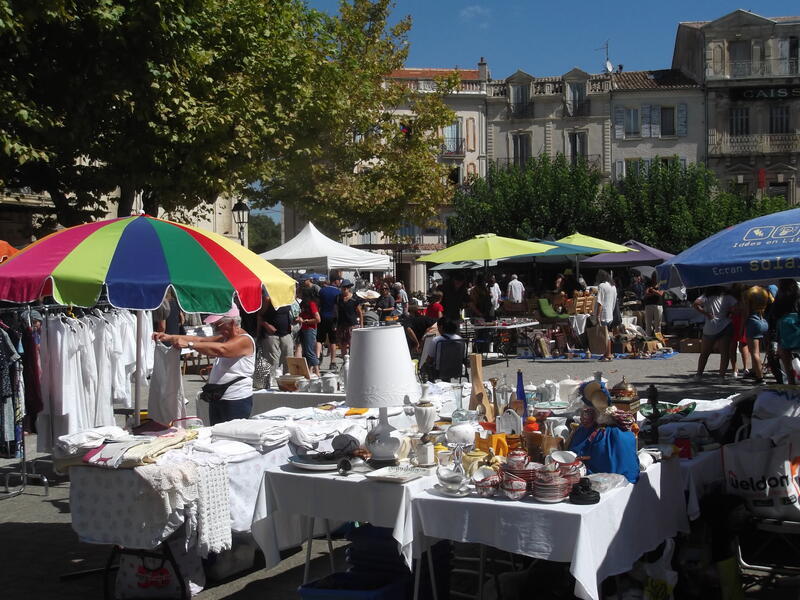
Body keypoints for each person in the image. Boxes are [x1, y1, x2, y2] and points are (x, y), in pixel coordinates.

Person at [154, 306, 255, 425]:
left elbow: (223, 350)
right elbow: (200, 340)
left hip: (235, 399)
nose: (215, 329)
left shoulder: (244, 340)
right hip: (219, 396)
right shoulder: (225, 337)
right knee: (217, 435)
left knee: (232, 438)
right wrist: (170, 337)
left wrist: (190, 345)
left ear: (232, 322)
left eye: (217, 325)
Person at [692, 286, 736, 381]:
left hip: (710, 327)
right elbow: (737, 308)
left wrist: (706, 313)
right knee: (724, 353)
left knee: (704, 353)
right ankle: (721, 376)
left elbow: (695, 304)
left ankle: (699, 374)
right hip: (725, 325)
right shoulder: (728, 297)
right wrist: (729, 313)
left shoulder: (706, 296)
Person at [771, 278, 800, 385]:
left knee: (786, 361)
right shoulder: (798, 297)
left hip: (784, 333)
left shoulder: (778, 300)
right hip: (798, 331)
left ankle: (791, 382)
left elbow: (773, 316)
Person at [257, 296, 293, 377]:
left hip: (286, 333)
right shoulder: (268, 299)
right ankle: (270, 381)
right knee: (272, 360)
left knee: (289, 358)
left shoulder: (287, 298)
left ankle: (288, 379)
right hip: (271, 334)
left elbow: (287, 313)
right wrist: (267, 325)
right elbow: (259, 316)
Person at [745, 286, 770, 385]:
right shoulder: (763, 299)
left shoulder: (749, 302)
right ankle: (756, 371)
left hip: (753, 322)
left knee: (754, 352)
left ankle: (760, 377)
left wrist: (743, 327)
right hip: (763, 322)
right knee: (758, 352)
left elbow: (746, 314)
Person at [727, 284, 751, 378]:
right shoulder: (745, 300)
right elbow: (745, 314)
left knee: (733, 346)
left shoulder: (732, 300)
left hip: (733, 323)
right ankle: (745, 368)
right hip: (741, 323)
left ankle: (735, 369)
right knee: (743, 346)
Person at [317, 278, 340, 369]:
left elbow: (319, 304)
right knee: (332, 341)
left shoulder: (322, 291)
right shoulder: (337, 292)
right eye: (339, 280)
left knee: (319, 339)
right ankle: (333, 362)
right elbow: (338, 306)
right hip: (333, 318)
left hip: (322, 316)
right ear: (335, 280)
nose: (340, 282)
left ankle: (318, 358)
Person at [296, 291, 321, 376]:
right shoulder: (303, 304)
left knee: (310, 351)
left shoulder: (311, 304)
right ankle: (309, 371)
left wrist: (305, 321)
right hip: (303, 329)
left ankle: (317, 371)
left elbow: (318, 319)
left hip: (310, 329)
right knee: (306, 352)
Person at [335, 280, 362, 357]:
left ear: (349, 288)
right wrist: (335, 324)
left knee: (352, 344)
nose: (345, 289)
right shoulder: (338, 298)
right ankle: (345, 361)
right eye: (343, 287)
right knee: (343, 344)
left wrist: (361, 325)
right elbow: (335, 312)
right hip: (341, 324)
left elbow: (360, 312)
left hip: (352, 324)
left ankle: (352, 361)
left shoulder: (354, 298)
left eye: (346, 287)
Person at [595, 270, 617, 361]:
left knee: (605, 335)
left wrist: (597, 316)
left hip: (604, 313)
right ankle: (608, 353)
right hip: (610, 313)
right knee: (608, 334)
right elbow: (615, 300)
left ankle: (607, 354)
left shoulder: (601, 286)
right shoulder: (613, 286)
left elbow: (600, 302)